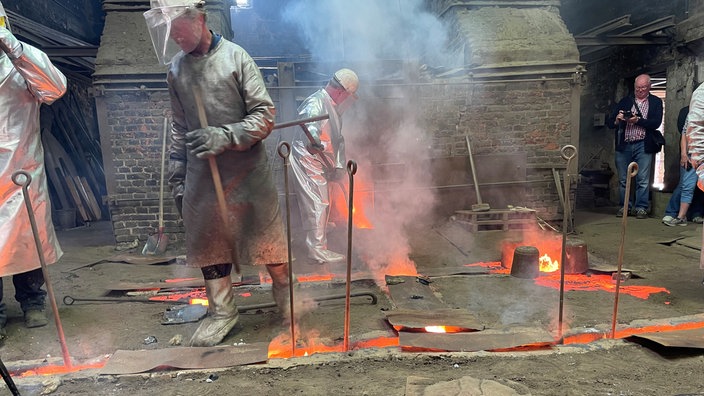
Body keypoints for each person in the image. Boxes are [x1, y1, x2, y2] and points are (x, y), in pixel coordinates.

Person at [144, 0, 291, 347]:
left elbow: (264, 116)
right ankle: (223, 311)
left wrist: (225, 135)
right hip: (203, 175)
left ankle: (288, 298)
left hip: (248, 170)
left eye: (181, 34)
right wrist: (178, 172)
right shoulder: (176, 70)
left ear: (201, 20)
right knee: (210, 245)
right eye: (172, 37)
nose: (178, 42)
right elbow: (180, 128)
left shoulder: (237, 58)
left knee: (268, 243)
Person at [0, 2, 67, 340]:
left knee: (27, 243)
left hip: (21, 173)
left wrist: (15, 48)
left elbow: (55, 88)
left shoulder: (20, 66)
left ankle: (32, 301)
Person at [289, 68, 359, 264]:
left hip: (321, 162)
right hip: (308, 160)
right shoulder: (316, 102)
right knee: (317, 202)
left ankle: (319, 232)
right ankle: (317, 249)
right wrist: (313, 140)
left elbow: (338, 140)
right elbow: (310, 123)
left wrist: (338, 166)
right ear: (342, 91)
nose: (348, 100)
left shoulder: (333, 107)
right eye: (348, 96)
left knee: (322, 200)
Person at [608, 74, 664, 219]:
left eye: (643, 88)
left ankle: (641, 207)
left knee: (643, 179)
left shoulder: (656, 102)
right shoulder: (625, 101)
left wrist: (637, 120)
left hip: (643, 144)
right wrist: (617, 119)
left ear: (649, 87)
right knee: (623, 179)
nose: (640, 91)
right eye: (638, 88)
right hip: (624, 144)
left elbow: (655, 123)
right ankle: (625, 206)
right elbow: (609, 123)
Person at [662, 105, 697, 226]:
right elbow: (684, 133)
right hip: (693, 154)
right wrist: (683, 154)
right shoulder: (693, 111)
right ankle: (679, 216)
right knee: (686, 185)